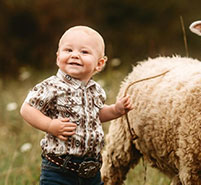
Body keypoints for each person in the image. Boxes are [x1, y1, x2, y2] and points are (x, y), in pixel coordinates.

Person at [20, 25, 133, 185]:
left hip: (91, 171)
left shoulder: (96, 90)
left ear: (99, 64)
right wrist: (50, 125)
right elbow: (27, 109)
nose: (75, 55)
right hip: (59, 170)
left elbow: (97, 115)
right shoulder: (51, 86)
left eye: (84, 52)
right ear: (58, 57)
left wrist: (116, 110)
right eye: (68, 50)